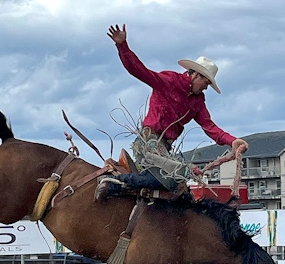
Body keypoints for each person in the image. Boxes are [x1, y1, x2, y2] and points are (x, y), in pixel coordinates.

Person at [95, 24, 248, 201]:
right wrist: (122, 45)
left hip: (164, 148)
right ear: (196, 75)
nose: (206, 87)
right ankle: (115, 181)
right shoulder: (169, 80)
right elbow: (138, 70)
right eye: (206, 83)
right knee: (174, 177)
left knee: (179, 187)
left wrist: (232, 141)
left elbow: (209, 126)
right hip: (148, 141)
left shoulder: (197, 102)